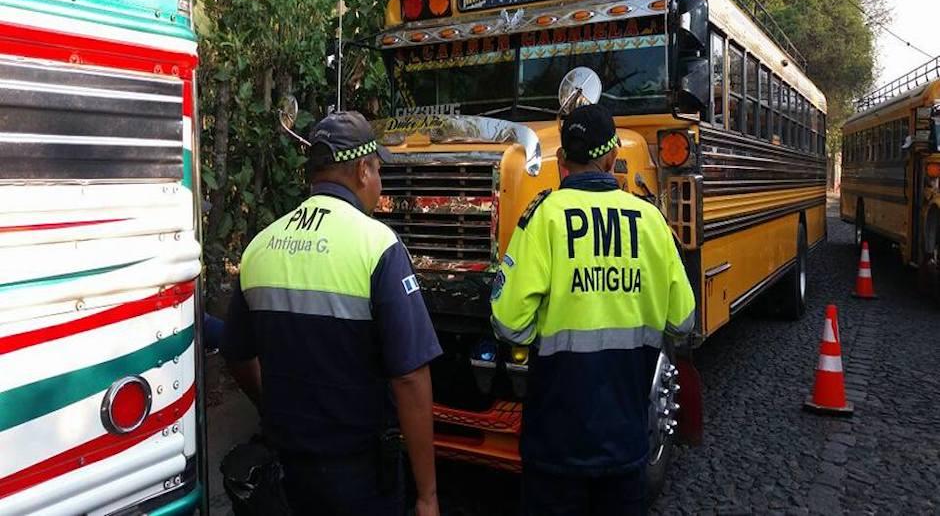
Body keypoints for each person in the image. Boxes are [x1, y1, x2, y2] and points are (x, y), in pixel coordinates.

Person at [221, 111, 442, 516]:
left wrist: (270, 407)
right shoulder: (378, 247)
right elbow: (410, 377)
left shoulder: (260, 247)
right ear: (362, 170)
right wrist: (427, 494)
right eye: (378, 170)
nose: (379, 184)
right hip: (359, 476)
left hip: (287, 473)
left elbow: (236, 352)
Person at [490, 103, 695, 516]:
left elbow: (508, 322)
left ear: (562, 161)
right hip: (625, 439)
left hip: (555, 443)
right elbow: (683, 321)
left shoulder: (542, 219)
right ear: (613, 157)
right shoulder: (652, 222)